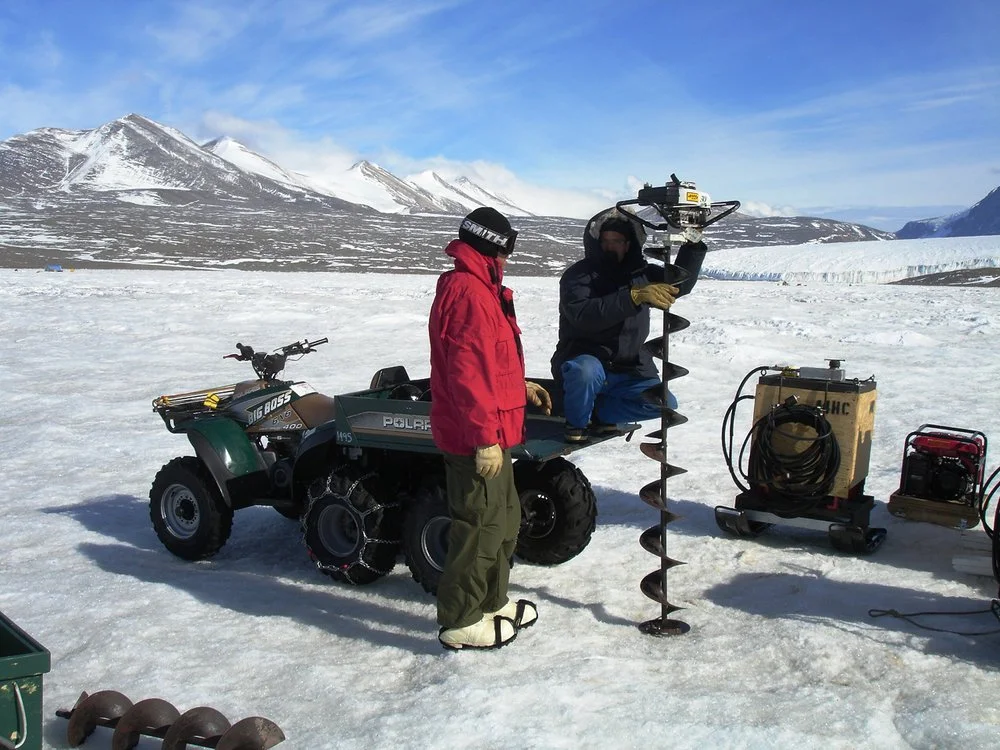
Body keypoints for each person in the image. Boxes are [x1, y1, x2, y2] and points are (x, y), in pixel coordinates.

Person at [428, 206, 553, 651]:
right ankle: (461, 620)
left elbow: (489, 361)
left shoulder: (482, 287)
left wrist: (520, 384)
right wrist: (483, 437)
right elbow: (466, 373)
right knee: (478, 526)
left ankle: (491, 603)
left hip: (498, 431)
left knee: (503, 523)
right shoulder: (467, 291)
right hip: (476, 437)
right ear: (494, 245)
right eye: (508, 245)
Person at [550, 207, 707, 442]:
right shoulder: (578, 276)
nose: (610, 246)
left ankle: (599, 412)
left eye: (617, 241)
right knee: (585, 372)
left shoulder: (640, 273)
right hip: (586, 360)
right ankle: (576, 425)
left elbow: (678, 284)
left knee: (664, 403)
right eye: (605, 240)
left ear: (629, 243)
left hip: (629, 366)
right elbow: (584, 315)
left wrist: (693, 246)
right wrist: (633, 297)